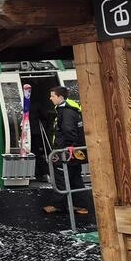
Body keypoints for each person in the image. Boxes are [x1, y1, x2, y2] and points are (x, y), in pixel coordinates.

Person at [44, 86, 90, 216]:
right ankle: (81, 205)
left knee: (61, 177)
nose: (50, 98)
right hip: (74, 152)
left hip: (65, 152)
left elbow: (68, 130)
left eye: (52, 96)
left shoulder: (66, 112)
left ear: (60, 97)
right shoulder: (71, 109)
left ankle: (57, 205)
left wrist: (69, 146)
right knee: (75, 178)